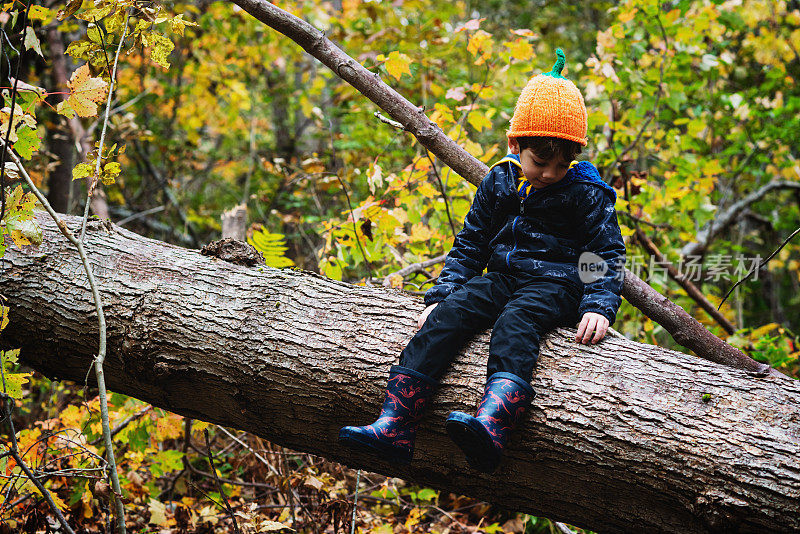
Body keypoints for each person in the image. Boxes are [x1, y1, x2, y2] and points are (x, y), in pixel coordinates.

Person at [339, 49, 626, 473]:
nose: (549, 173)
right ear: (516, 145)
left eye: (562, 165)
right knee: (447, 316)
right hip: (503, 275)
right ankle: (395, 424)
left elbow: (605, 251)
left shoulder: (585, 192)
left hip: (557, 284)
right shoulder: (500, 180)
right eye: (540, 162)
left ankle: (493, 424)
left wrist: (598, 304)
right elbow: (472, 242)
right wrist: (443, 292)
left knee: (517, 320)